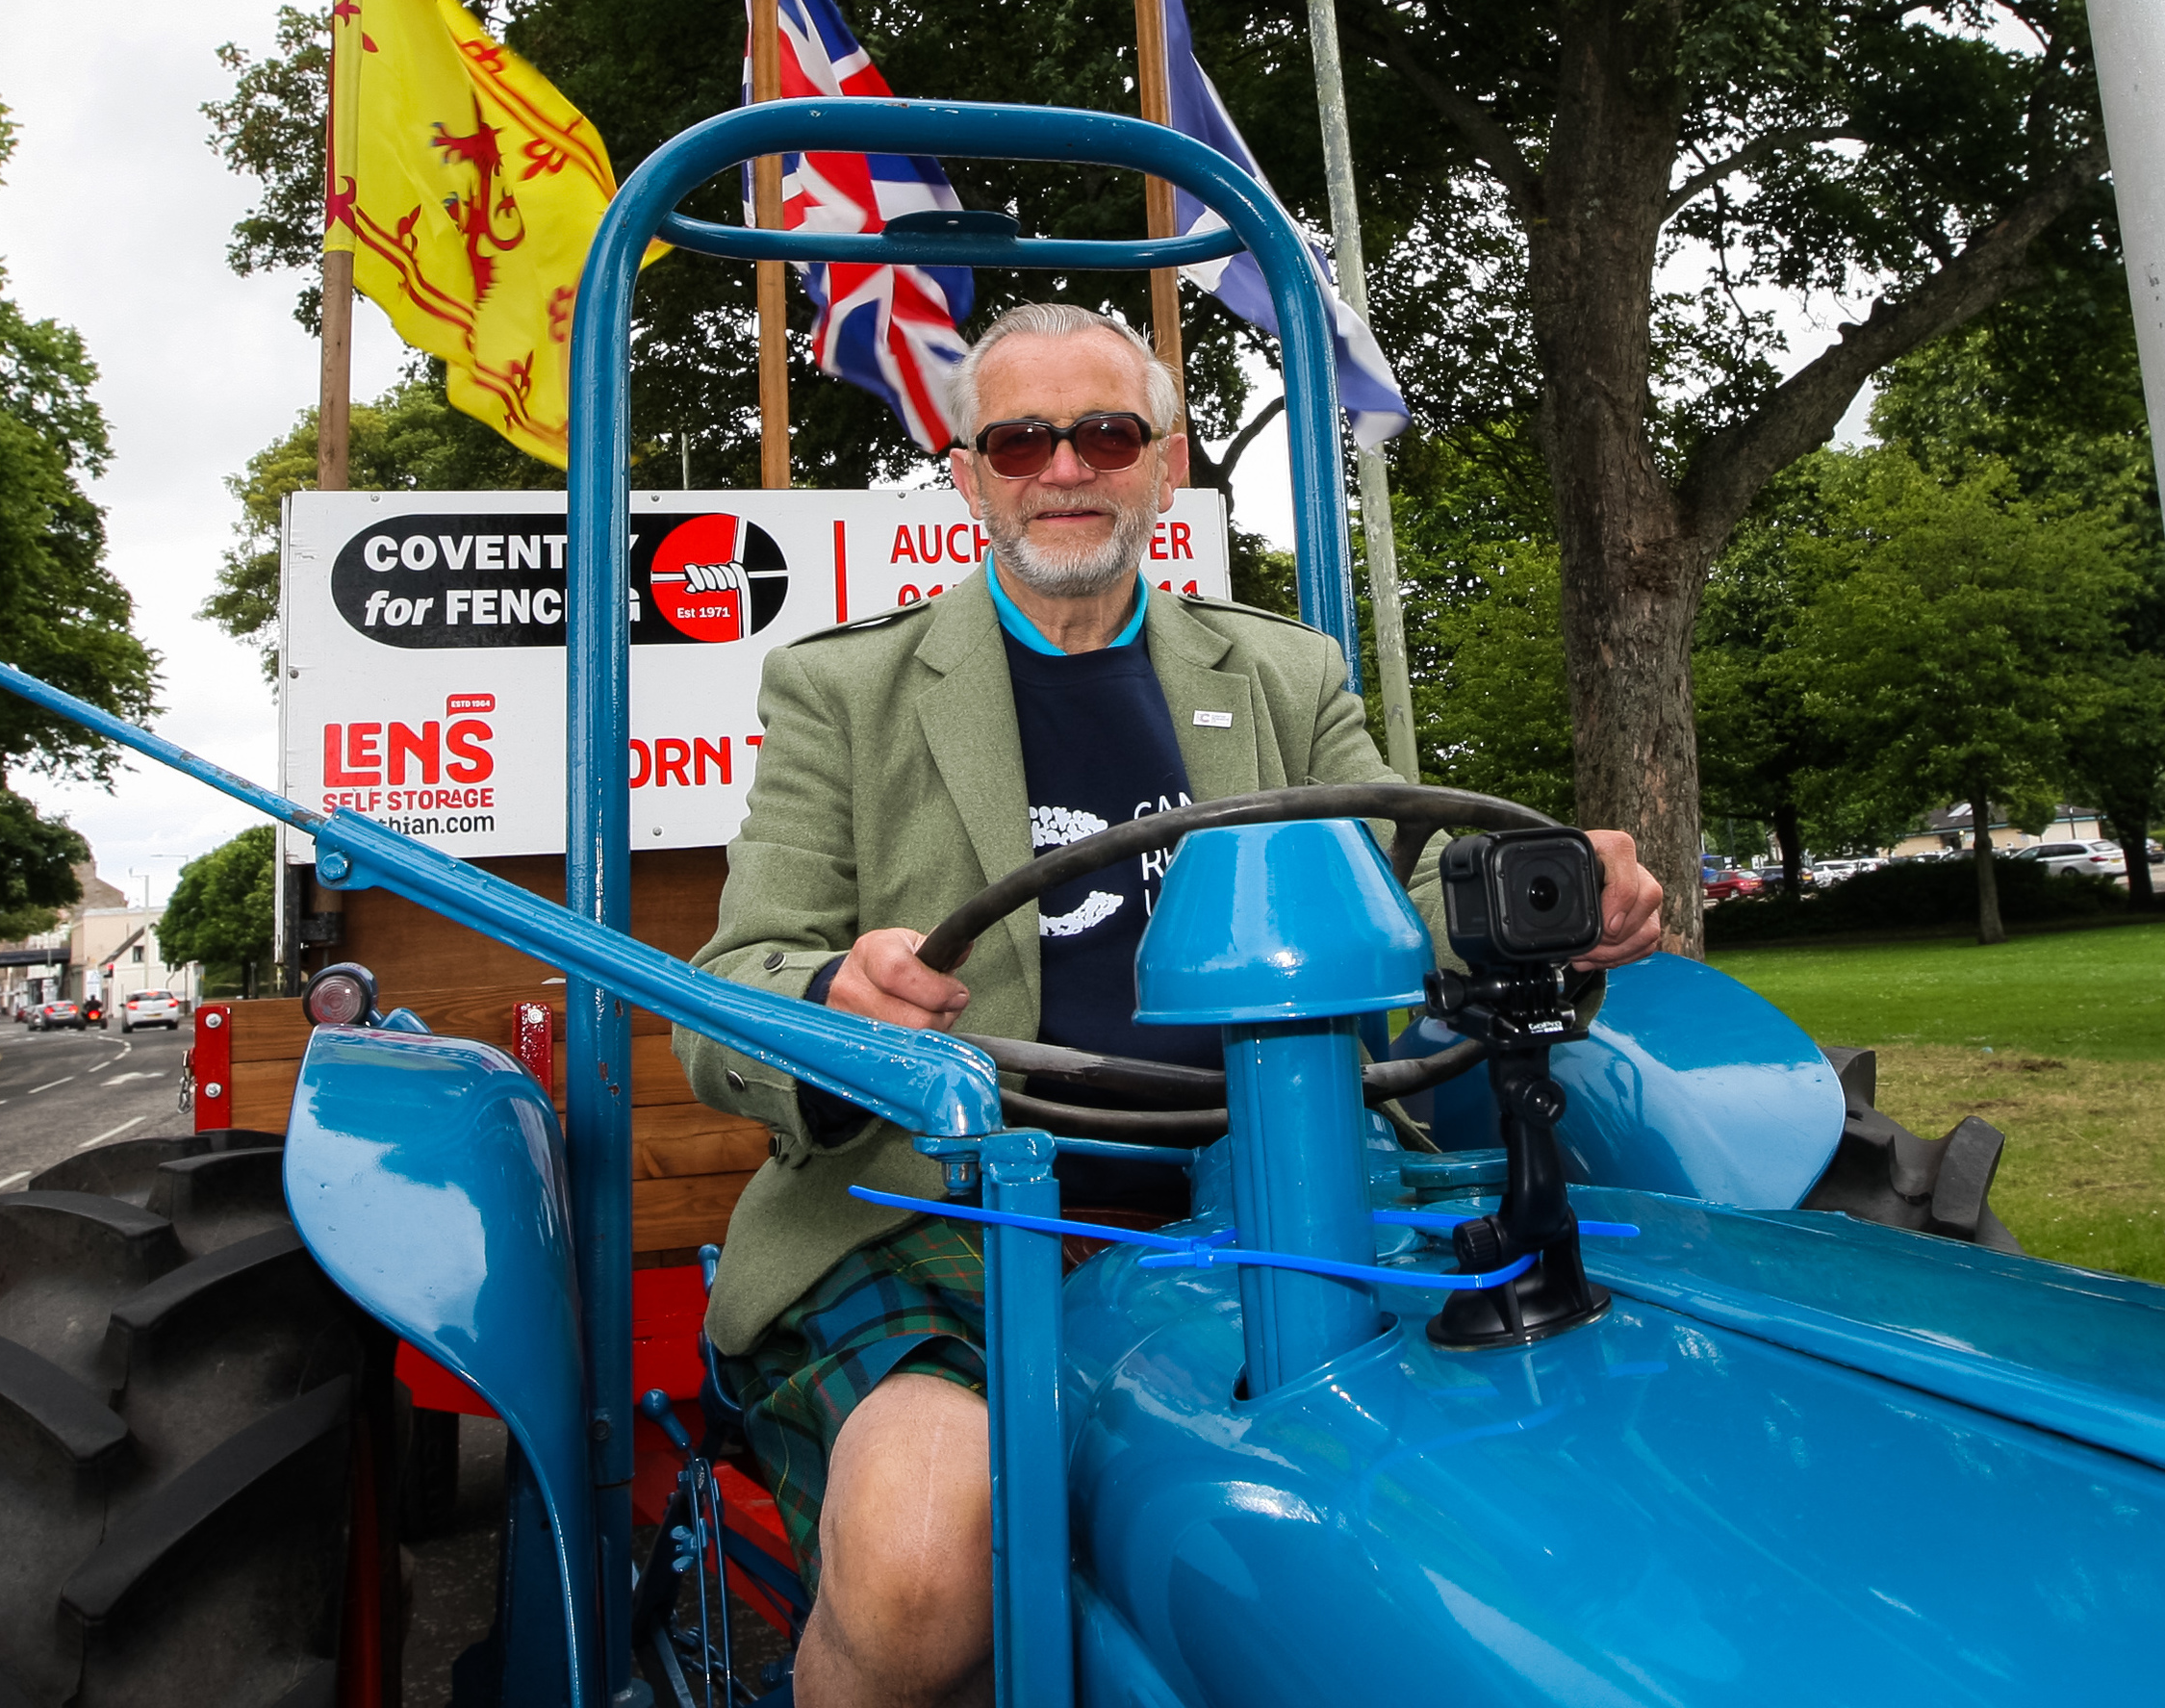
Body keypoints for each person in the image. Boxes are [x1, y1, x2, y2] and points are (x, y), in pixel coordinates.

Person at [681, 303, 1665, 1707]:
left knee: (1535, 1470)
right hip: (946, 1210)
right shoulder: (845, 691)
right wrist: (835, 1004)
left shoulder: (1279, 673)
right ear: (967, 474)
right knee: (917, 1566)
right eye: (1021, 438)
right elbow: (729, 998)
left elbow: (1412, 882)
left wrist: (1553, 883)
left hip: (1282, 1185)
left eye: (1106, 432)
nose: (1063, 467)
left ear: (1161, 463)